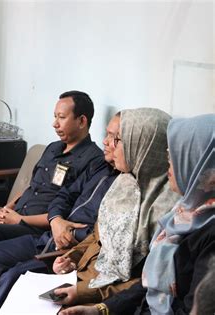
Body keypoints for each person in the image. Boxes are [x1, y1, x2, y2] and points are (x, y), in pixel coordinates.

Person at [0, 91, 107, 277]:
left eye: (62, 118)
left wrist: (19, 220)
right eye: (55, 116)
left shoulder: (94, 161)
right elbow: (32, 187)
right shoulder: (52, 148)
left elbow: (68, 211)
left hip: (34, 228)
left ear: (82, 121)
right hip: (14, 215)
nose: (54, 124)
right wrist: (7, 208)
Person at [0, 113, 122, 314]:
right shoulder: (101, 167)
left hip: (67, 250)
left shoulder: (125, 185)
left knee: (13, 275)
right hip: (49, 237)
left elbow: (103, 236)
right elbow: (64, 195)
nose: (106, 141)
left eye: (114, 138)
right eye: (107, 135)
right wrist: (56, 220)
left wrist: (70, 234)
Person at [60, 114, 215, 315]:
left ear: (199, 163)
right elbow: (149, 284)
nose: (167, 159)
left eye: (176, 154)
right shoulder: (183, 215)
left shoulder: (206, 232)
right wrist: (100, 310)